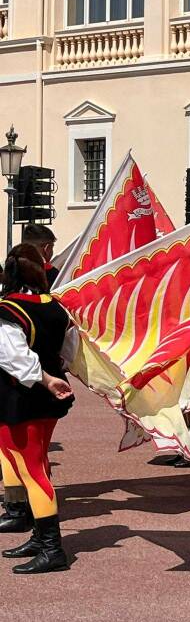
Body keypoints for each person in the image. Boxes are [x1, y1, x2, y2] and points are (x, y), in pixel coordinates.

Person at [0, 244, 77, 574]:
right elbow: (70, 348)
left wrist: (44, 378)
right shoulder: (56, 306)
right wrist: (55, 373)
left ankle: (51, 548)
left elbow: (13, 358)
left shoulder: (8, 309)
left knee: (32, 469)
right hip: (46, 399)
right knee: (33, 463)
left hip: (23, 397)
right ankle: (39, 536)